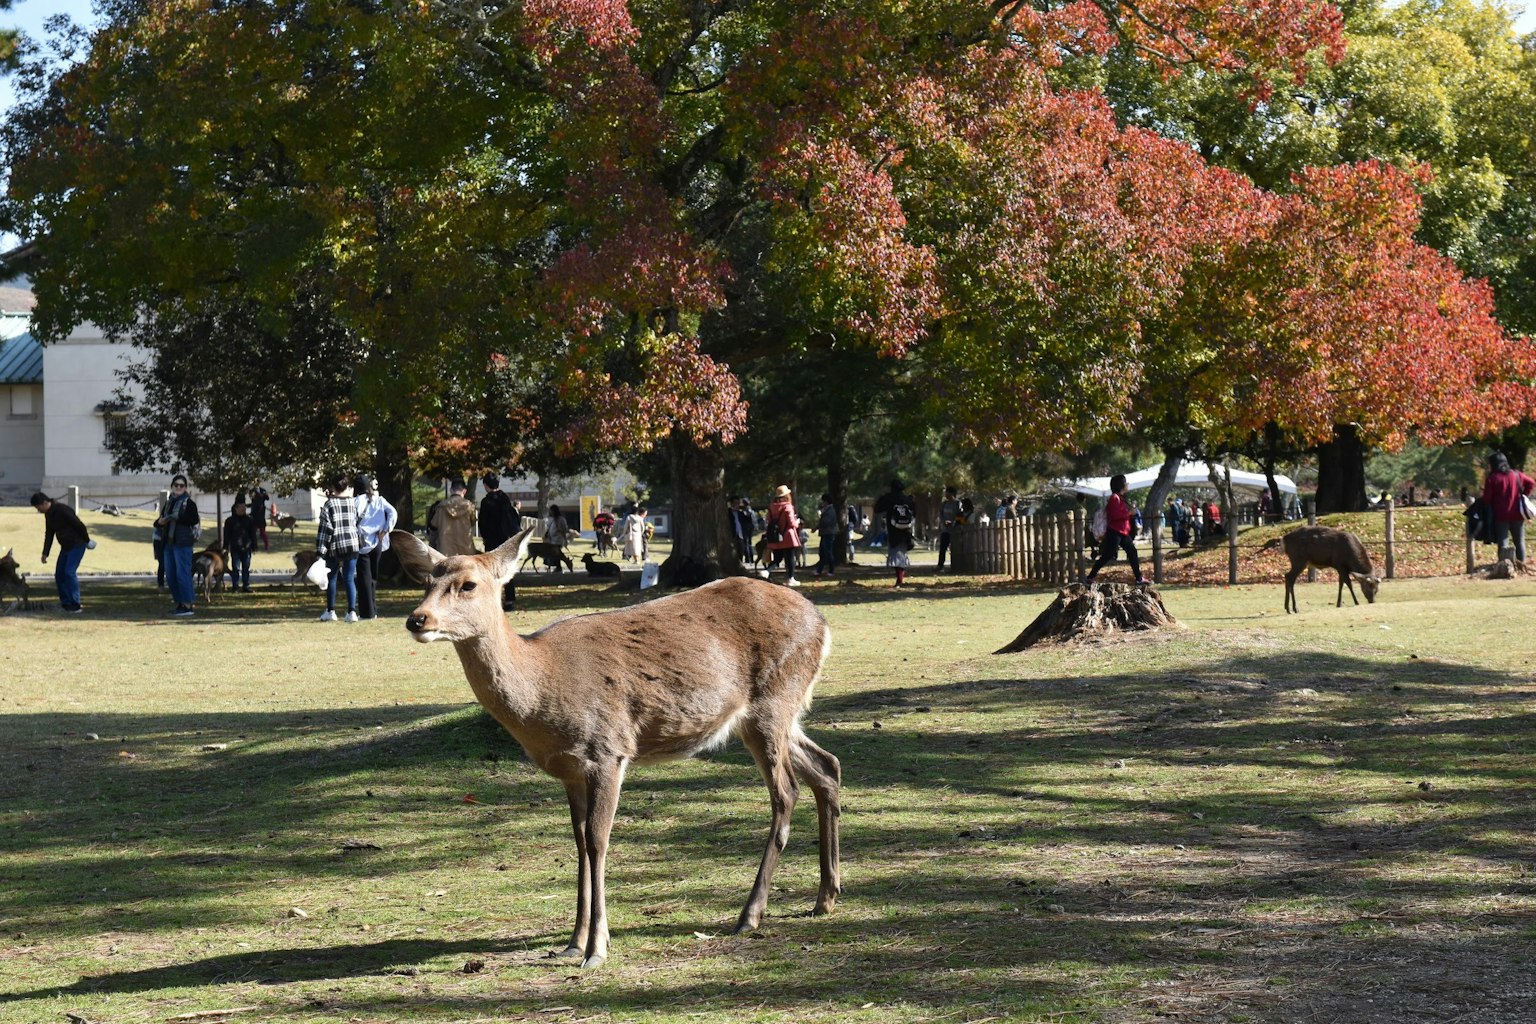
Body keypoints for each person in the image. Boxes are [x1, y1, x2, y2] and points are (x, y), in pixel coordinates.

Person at [32, 491, 91, 613]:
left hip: (77, 544)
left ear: (44, 503)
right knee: (59, 575)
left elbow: (79, 525)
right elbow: (49, 533)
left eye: (38, 508)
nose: (38, 511)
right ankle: (66, 603)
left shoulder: (62, 510)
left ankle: (75, 604)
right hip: (65, 546)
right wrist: (45, 553)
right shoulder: (48, 514)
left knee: (69, 572)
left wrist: (86, 540)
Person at [1083, 473, 1145, 586]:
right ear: (1121, 485)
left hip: (1122, 532)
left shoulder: (1121, 499)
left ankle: (1139, 578)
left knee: (1132, 552)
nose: (1127, 485)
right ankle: (1090, 577)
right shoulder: (1114, 498)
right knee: (1107, 555)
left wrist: (1130, 513)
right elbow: (1115, 515)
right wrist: (1129, 513)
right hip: (1115, 532)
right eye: (1125, 483)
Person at [316, 474, 361, 622]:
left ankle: (331, 610)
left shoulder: (329, 505)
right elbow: (357, 521)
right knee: (349, 578)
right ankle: (352, 611)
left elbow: (325, 529)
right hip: (352, 544)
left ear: (333, 487)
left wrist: (321, 551)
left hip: (335, 545)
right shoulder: (353, 503)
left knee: (332, 578)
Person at [156, 474, 201, 617]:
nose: (178, 488)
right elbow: (158, 522)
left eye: (181, 485)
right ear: (172, 487)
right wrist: (161, 522)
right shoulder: (168, 503)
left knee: (183, 574)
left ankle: (188, 605)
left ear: (185, 487)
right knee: (170, 575)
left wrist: (178, 518)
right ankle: (180, 603)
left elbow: (193, 519)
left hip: (183, 543)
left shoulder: (189, 503)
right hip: (169, 543)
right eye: (176, 485)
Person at [354, 474, 397, 620]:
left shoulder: (355, 502)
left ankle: (367, 613)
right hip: (378, 540)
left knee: (363, 578)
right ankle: (373, 609)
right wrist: (386, 530)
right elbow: (393, 513)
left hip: (361, 542)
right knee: (373, 577)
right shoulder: (379, 500)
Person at [1481, 452, 1535, 562]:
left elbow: (1487, 499)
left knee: (1503, 542)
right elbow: (1531, 483)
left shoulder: (1492, 479)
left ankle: (1503, 564)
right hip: (1517, 513)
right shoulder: (1516, 474)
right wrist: (1524, 494)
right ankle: (1521, 564)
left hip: (1500, 515)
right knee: (1519, 541)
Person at [874, 479, 917, 587]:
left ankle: (900, 580)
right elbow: (914, 513)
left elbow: (877, 509)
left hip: (893, 529)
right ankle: (900, 578)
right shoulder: (907, 499)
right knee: (902, 554)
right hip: (906, 530)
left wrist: (882, 497)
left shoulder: (889, 498)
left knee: (895, 554)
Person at [760, 484, 802, 586]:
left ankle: (766, 571)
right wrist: (798, 522)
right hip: (788, 537)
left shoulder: (771, 508)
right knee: (790, 558)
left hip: (776, 537)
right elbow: (792, 523)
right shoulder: (788, 507)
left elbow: (768, 522)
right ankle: (790, 578)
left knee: (777, 559)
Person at [431, 480, 477, 555]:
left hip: (445, 550)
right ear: (464, 491)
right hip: (466, 550)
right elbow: (473, 522)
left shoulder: (441, 507)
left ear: (450, 490)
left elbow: (434, 524)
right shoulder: (469, 506)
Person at [223, 501, 258, 592]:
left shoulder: (249, 520)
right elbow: (226, 535)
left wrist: (254, 546)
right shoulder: (230, 521)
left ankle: (246, 586)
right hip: (235, 548)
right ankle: (235, 586)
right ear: (236, 509)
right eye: (241, 508)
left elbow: (253, 534)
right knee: (236, 568)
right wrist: (225, 547)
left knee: (246, 568)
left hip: (247, 547)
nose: (243, 510)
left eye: (244, 508)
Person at [479, 474, 518, 553]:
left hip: (491, 539)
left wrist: (484, 537)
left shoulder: (486, 501)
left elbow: (482, 522)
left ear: (485, 485)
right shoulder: (505, 499)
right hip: (506, 538)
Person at [814, 493, 840, 578]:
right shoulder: (826, 510)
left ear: (826, 501)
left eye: (823, 501)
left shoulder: (830, 510)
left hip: (829, 533)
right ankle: (819, 570)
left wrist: (820, 518)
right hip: (825, 533)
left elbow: (826, 522)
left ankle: (831, 570)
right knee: (822, 552)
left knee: (828, 552)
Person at [936, 486, 960, 573]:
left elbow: (960, 516)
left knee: (956, 549)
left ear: (952, 493)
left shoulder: (958, 504)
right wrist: (944, 522)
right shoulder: (944, 504)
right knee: (942, 548)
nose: (946, 494)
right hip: (945, 530)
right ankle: (940, 566)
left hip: (955, 530)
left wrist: (953, 522)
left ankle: (956, 566)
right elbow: (941, 515)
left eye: (947, 493)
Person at [545, 504, 572, 571]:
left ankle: (559, 567)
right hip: (551, 540)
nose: (550, 512)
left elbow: (565, 529)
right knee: (556, 554)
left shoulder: (561, 519)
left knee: (557, 553)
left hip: (559, 539)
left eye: (551, 511)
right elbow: (548, 528)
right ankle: (559, 566)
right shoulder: (550, 519)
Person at [730, 496, 754, 564]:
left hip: (741, 535)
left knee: (741, 550)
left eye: (738, 503)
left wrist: (745, 508)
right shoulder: (728, 513)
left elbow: (748, 520)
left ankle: (740, 563)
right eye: (735, 503)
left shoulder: (741, 513)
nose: (736, 505)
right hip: (732, 534)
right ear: (731, 503)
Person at [250, 484, 271, 551]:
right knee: (253, 531)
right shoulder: (252, 490)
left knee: (262, 532)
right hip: (254, 512)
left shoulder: (263, 490)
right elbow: (252, 498)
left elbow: (267, 498)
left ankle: (266, 545)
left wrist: (262, 493)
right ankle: (254, 546)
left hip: (261, 513)